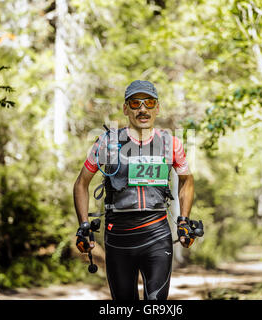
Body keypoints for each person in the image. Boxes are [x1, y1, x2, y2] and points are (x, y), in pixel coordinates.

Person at [73, 80, 195, 300]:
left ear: (157, 107)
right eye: (135, 103)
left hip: (157, 234)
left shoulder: (171, 143)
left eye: (149, 102)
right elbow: (81, 183)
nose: (142, 109)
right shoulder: (107, 142)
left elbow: (187, 180)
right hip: (118, 237)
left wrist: (184, 221)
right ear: (125, 108)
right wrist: (83, 226)